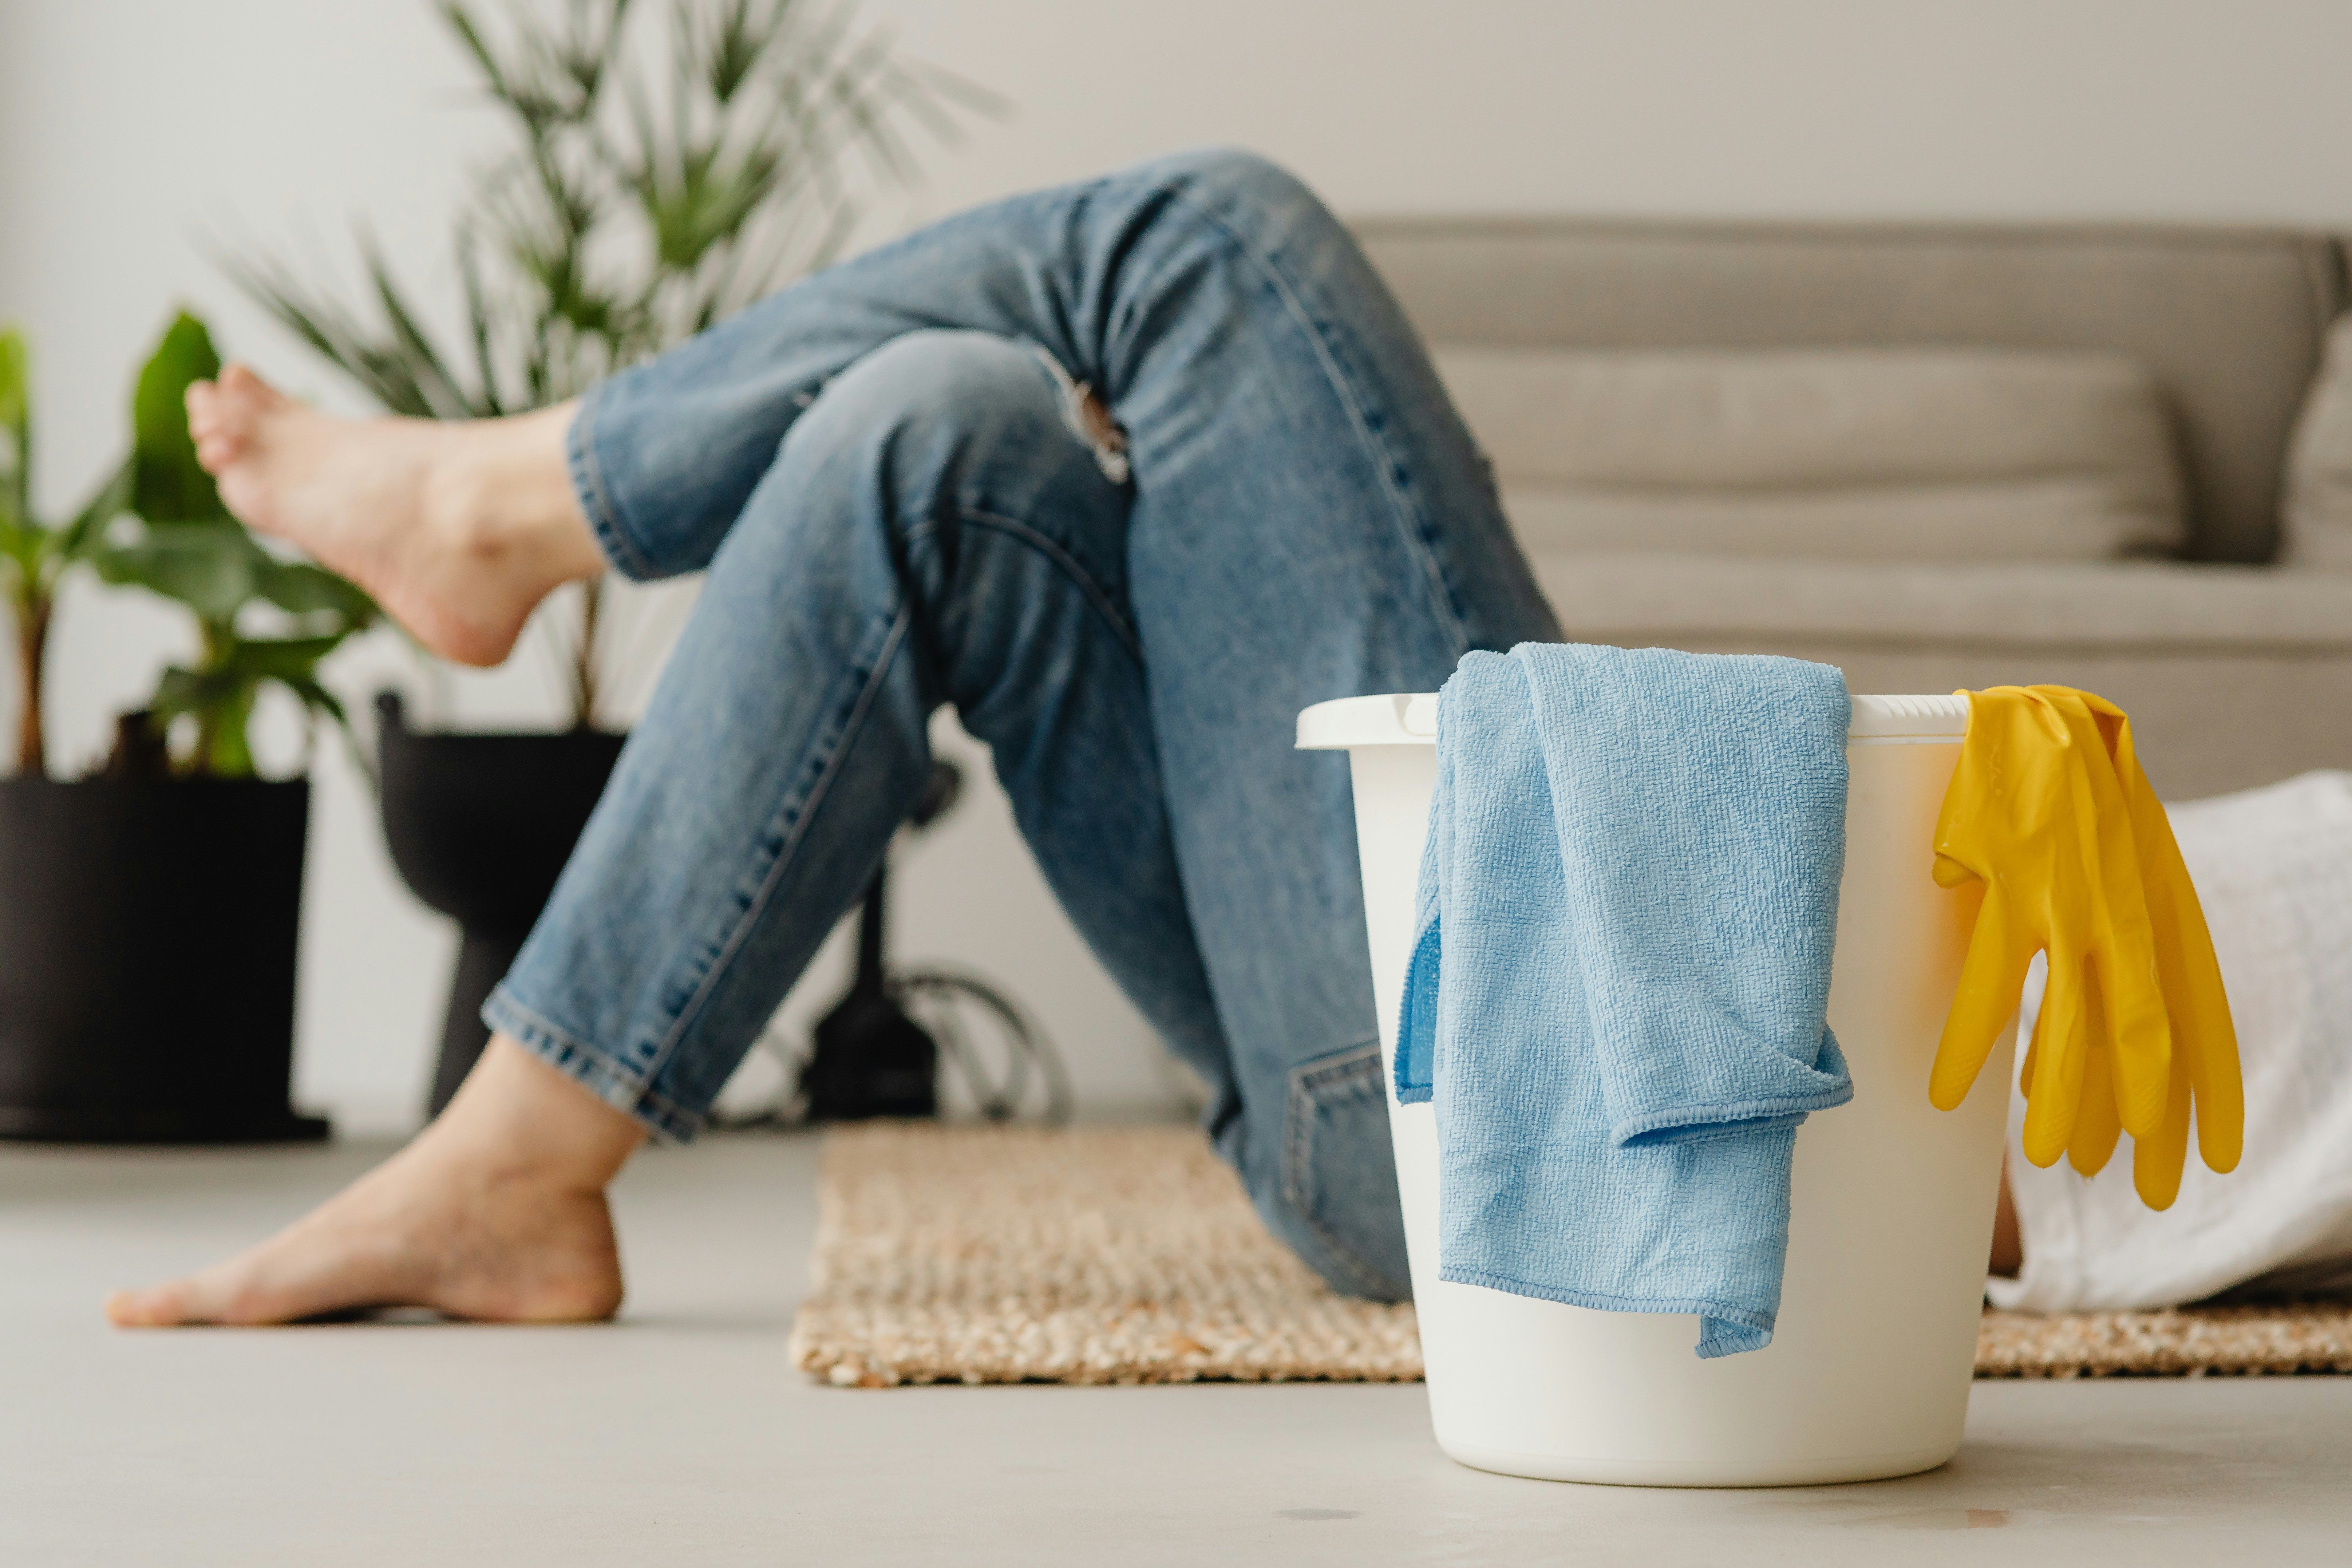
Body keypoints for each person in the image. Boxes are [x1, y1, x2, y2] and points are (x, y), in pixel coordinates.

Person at [106, 148, 1561, 1326]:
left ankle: (503, 505)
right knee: (934, 430)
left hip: (1525, 1113)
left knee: (1203, 241)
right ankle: (510, 1172)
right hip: (1372, 1118)